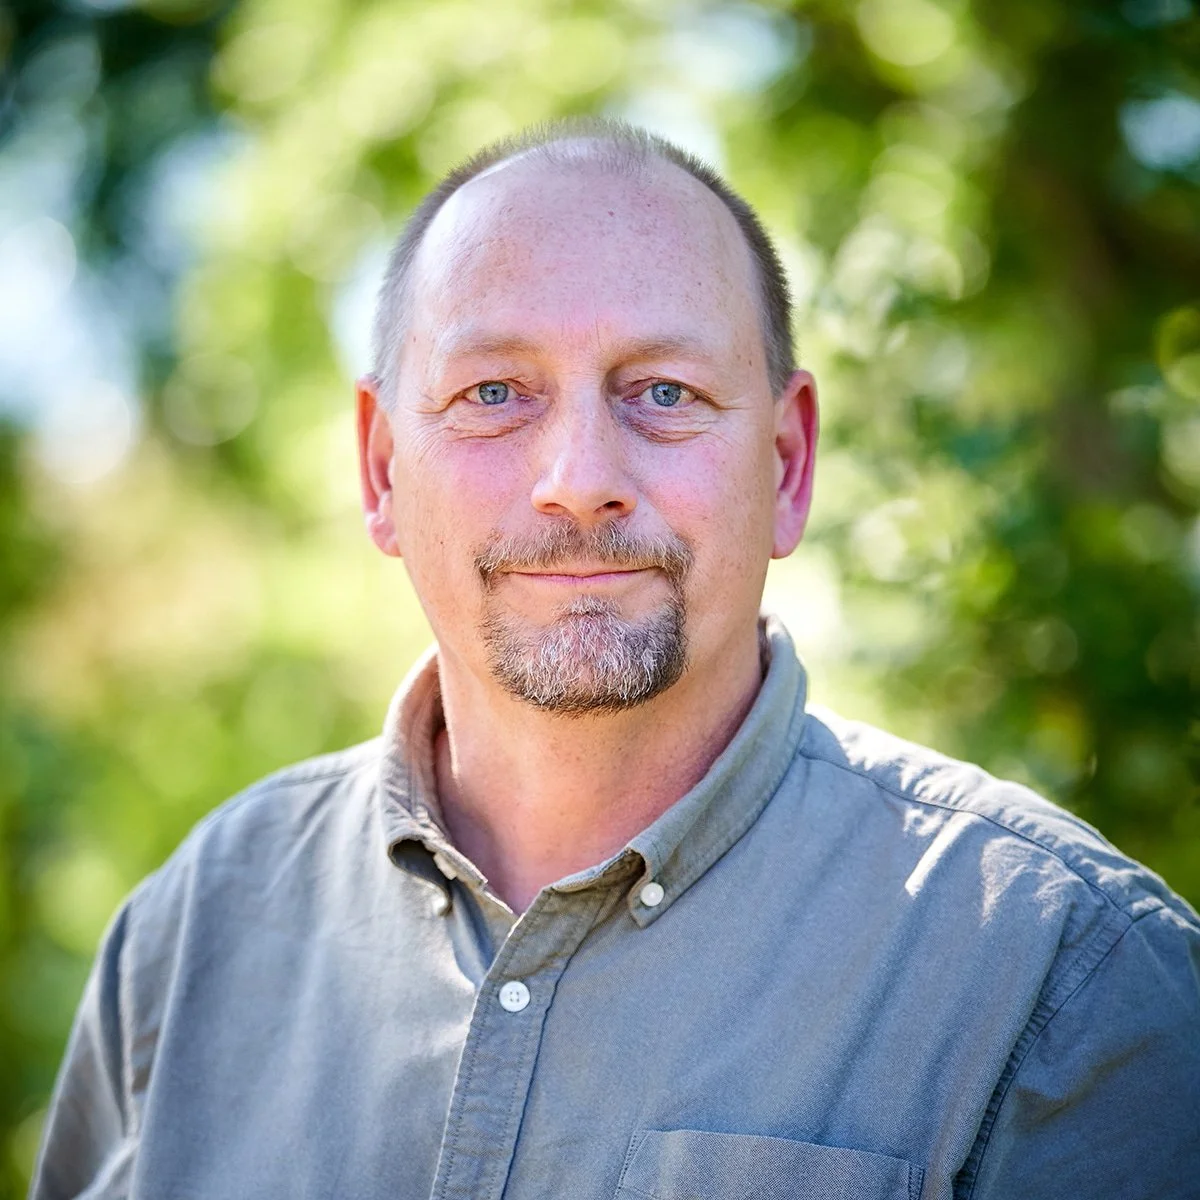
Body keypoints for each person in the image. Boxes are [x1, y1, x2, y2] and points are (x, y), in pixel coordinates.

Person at [33, 120, 1200, 1200]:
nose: (578, 475)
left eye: (664, 393)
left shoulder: (1064, 977)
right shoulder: (193, 936)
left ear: (788, 466)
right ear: (383, 467)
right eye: (495, 392)